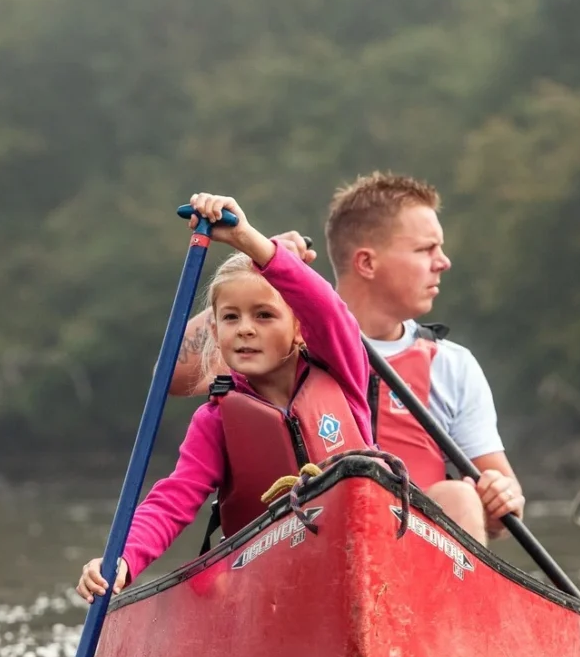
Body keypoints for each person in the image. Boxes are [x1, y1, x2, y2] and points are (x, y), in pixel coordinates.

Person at [171, 173, 523, 544]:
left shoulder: (452, 364)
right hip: (298, 544)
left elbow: (501, 512)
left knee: (459, 495)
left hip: (411, 555)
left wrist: (502, 497)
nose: (443, 262)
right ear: (367, 263)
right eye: (425, 249)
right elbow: (174, 374)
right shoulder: (275, 341)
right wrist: (260, 263)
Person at [76, 193, 372, 603]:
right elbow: (172, 501)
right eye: (231, 318)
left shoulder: (342, 370)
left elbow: (328, 310)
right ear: (214, 332)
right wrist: (122, 558)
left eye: (264, 316)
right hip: (267, 585)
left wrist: (247, 239)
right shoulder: (215, 420)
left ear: (299, 329)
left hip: (360, 562)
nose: (245, 329)